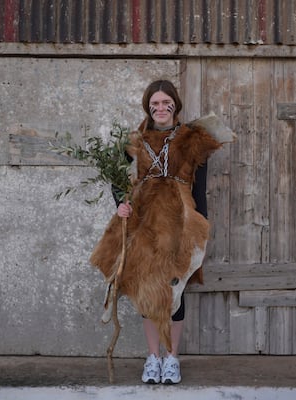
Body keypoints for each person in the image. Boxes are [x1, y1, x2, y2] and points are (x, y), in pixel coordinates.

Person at [92, 79, 222, 385]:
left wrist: (199, 230)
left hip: (179, 220)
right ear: (148, 107)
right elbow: (114, 173)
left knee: (174, 289)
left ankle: (172, 358)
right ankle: (153, 358)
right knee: (146, 286)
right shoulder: (136, 139)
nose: (160, 108)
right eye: (155, 104)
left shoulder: (193, 138)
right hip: (145, 219)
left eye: (166, 103)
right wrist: (120, 203)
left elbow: (199, 191)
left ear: (175, 105)